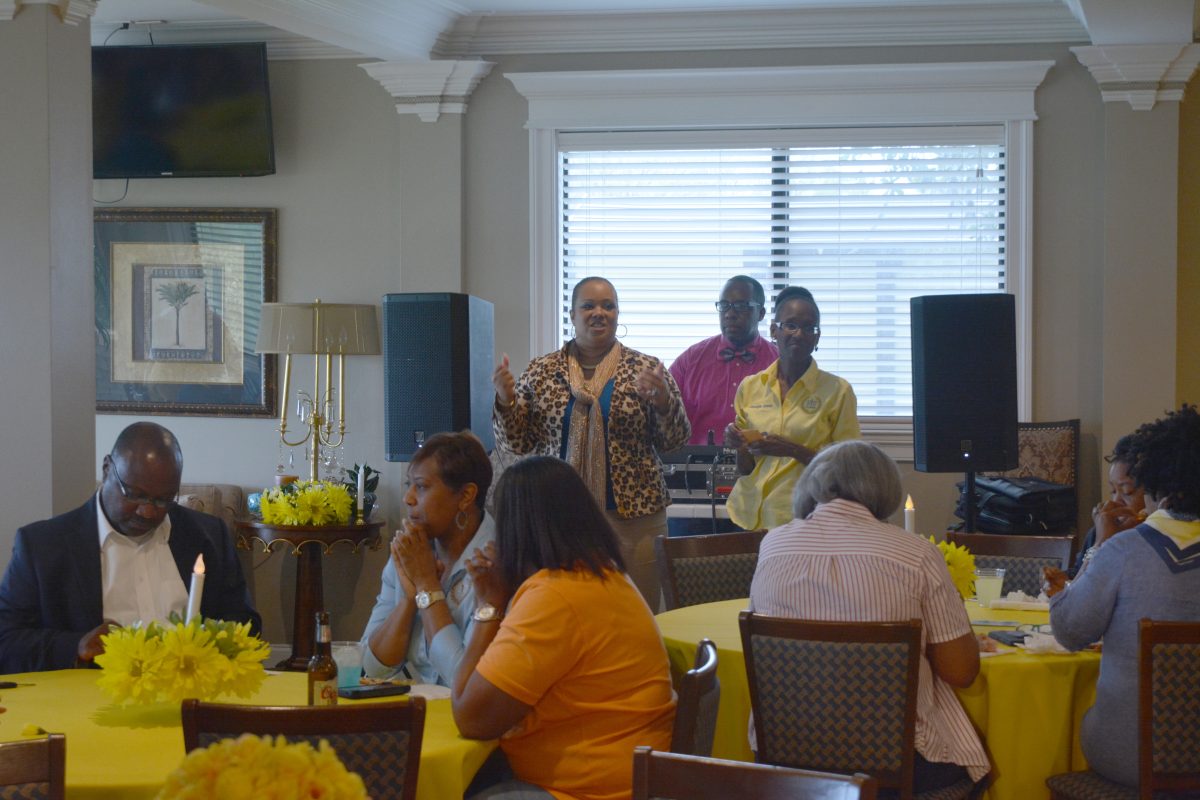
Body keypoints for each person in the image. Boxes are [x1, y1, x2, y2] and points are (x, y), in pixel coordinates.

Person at [749, 440, 990, 792]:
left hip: (787, 758)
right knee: (982, 765)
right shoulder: (916, 554)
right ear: (885, 489)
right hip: (891, 769)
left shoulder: (773, 545)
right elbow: (961, 672)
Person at [452, 456, 675, 800]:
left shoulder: (556, 596)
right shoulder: (604, 574)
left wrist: (489, 606)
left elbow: (472, 718)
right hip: (633, 776)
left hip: (587, 790)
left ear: (515, 530)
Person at [0, 422, 261, 673]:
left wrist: (213, 638)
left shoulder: (209, 536)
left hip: (192, 693)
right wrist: (76, 647)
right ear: (106, 469)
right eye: (134, 494)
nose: (147, 511)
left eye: (163, 500)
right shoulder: (43, 546)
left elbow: (246, 624)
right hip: (89, 699)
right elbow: (6, 639)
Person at [492, 276, 690, 606]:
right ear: (571, 315)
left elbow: (676, 442)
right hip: (557, 519)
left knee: (636, 612)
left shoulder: (645, 368)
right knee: (563, 611)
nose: (599, 313)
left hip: (633, 521)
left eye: (608, 306)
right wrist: (506, 400)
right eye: (588, 306)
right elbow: (518, 443)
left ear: (617, 314)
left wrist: (663, 402)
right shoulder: (542, 370)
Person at [1049, 404, 1200, 788]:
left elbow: (1069, 631)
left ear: (1158, 486)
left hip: (1130, 757)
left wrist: (1099, 548)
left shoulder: (1124, 551)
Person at [360, 431, 494, 686]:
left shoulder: (494, 561)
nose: (408, 498)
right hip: (409, 709)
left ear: (466, 495)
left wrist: (427, 586)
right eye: (408, 485)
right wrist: (410, 600)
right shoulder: (411, 551)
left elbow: (465, 683)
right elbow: (371, 668)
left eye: (421, 487)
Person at [724, 286, 860, 530]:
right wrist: (739, 445)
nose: (799, 334)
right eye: (790, 325)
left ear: (817, 337)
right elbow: (745, 469)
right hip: (749, 516)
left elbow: (846, 472)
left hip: (803, 519)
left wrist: (792, 450)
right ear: (774, 330)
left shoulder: (838, 391)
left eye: (809, 328)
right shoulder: (751, 386)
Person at [669, 275, 778, 447]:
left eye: (741, 306)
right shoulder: (691, 360)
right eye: (724, 305)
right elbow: (664, 416)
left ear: (761, 313)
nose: (729, 314)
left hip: (763, 468)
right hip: (696, 467)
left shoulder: (780, 363)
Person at [1068, 433, 1147, 577]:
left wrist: (1102, 543)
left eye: (1127, 492)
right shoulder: (1099, 531)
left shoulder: (1155, 542)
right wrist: (1057, 579)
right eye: (1112, 491)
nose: (1115, 501)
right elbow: (1075, 577)